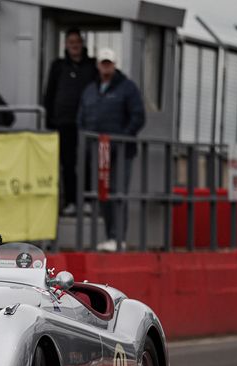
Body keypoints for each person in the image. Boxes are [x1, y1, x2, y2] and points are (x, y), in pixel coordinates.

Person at [77, 48, 145, 252]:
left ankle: (118, 238)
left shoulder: (128, 88)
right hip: (98, 152)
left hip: (122, 152)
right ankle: (109, 236)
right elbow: (81, 118)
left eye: (109, 63)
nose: (106, 66)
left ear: (115, 65)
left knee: (118, 193)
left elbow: (137, 117)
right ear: (98, 65)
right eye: (103, 63)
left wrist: (120, 139)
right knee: (103, 194)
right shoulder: (90, 89)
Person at [43, 28, 98, 215]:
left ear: (82, 44)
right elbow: (49, 93)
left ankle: (88, 200)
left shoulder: (92, 66)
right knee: (68, 163)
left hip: (87, 124)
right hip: (63, 123)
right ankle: (71, 201)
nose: (74, 45)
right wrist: (49, 121)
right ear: (66, 45)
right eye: (71, 42)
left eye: (77, 41)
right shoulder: (58, 66)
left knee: (88, 161)